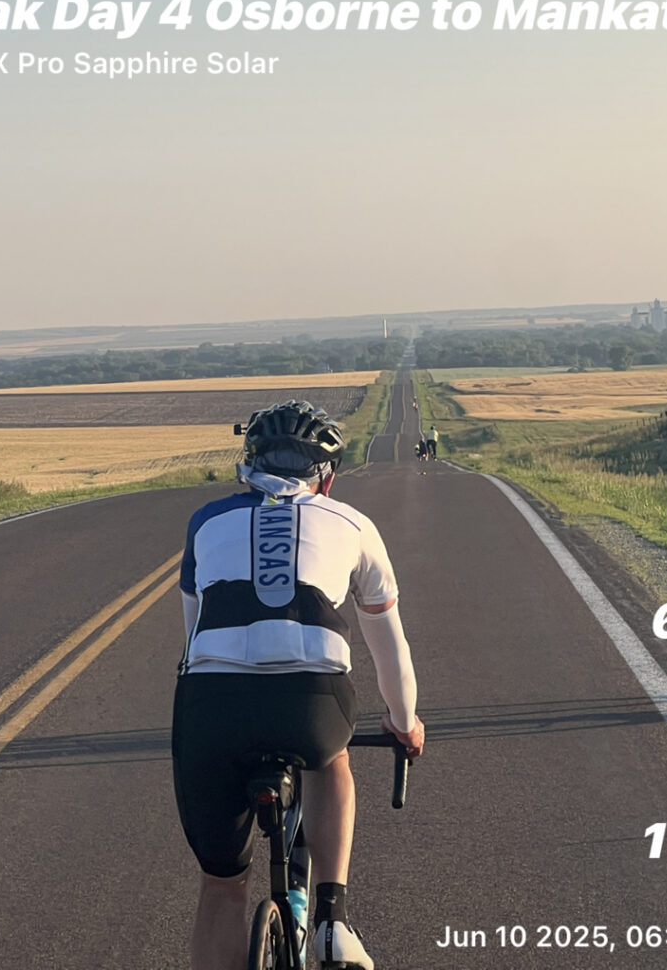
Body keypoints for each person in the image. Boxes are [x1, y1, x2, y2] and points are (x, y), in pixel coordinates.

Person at [173, 400, 425, 970]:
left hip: (212, 705)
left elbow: (192, 638)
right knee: (329, 754)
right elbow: (391, 648)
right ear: (327, 477)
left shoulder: (206, 522)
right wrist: (404, 724)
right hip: (310, 699)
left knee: (220, 884)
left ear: (248, 464)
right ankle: (332, 922)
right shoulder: (355, 525)